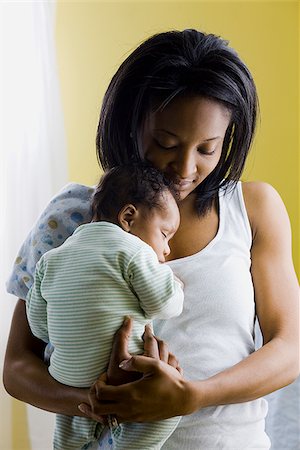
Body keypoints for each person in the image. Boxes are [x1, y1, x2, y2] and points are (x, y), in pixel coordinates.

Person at [4, 29, 299, 450]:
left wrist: (191, 396)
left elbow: (289, 348)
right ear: (131, 123)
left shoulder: (251, 208)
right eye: (166, 143)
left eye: (208, 149)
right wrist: (96, 402)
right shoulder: (73, 216)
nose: (185, 167)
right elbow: (17, 366)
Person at [26, 163, 184, 450]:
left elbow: (39, 326)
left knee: (69, 424)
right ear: (128, 217)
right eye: (164, 234)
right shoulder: (134, 250)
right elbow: (163, 304)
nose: (167, 249)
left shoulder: (51, 259)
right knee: (171, 407)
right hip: (129, 370)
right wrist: (174, 285)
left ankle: (67, 444)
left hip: (67, 378)